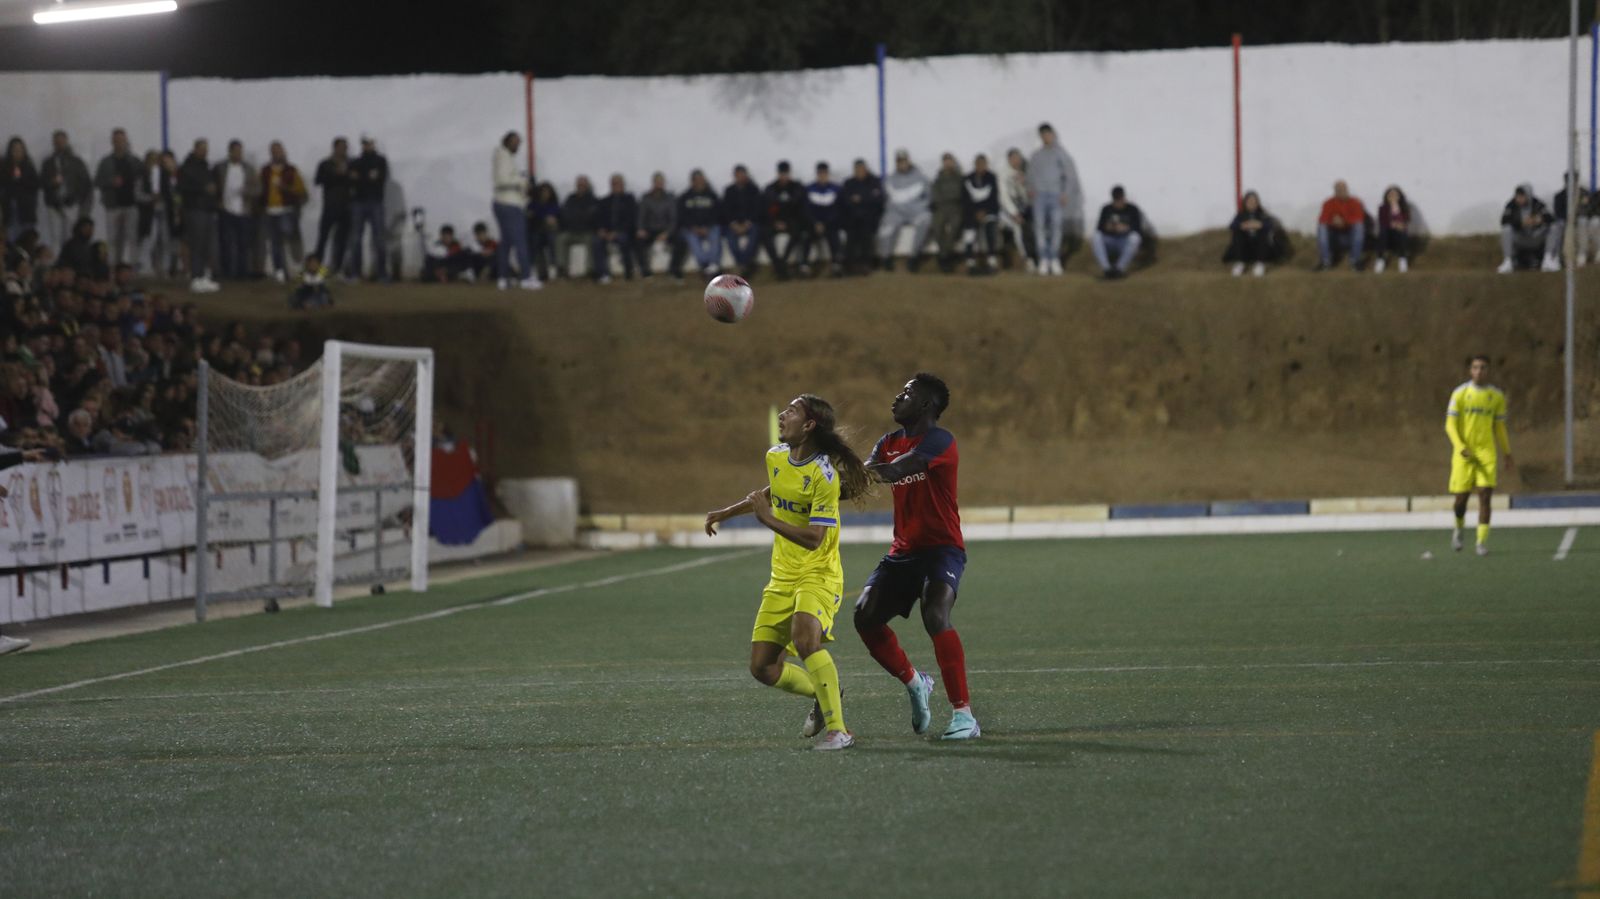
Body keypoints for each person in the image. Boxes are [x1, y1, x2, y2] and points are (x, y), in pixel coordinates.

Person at [704, 394, 871, 751]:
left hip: (818, 571)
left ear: (809, 425)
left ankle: (839, 731)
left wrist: (767, 520)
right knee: (763, 668)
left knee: (807, 638)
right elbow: (770, 493)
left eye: (792, 411)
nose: (783, 415)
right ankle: (828, 694)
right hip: (782, 575)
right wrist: (724, 513)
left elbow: (814, 538)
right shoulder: (775, 457)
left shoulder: (824, 475)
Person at [855, 373, 978, 740]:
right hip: (903, 552)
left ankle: (964, 716)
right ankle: (915, 682)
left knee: (935, 612)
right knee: (864, 617)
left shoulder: (940, 441)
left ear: (925, 404)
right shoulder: (887, 442)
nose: (897, 396)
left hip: (942, 550)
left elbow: (891, 472)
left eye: (906, 392)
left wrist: (854, 466)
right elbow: (861, 480)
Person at [1446, 355, 1512, 556]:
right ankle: (1459, 528)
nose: (1479, 371)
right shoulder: (1460, 393)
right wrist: (1459, 446)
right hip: (1463, 453)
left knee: (1485, 496)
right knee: (1460, 500)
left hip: (1486, 452)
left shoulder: (1496, 396)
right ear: (1470, 370)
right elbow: (1449, 425)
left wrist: (1507, 452)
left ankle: (1481, 542)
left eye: (1483, 367)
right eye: (1475, 367)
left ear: (1488, 371)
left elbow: (1500, 427)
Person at [491, 131, 539, 290]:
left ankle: (502, 278)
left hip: (502, 202)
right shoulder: (504, 157)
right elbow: (503, 180)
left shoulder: (502, 157)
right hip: (510, 204)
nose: (518, 145)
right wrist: (523, 180)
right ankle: (526, 277)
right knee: (520, 241)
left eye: (519, 142)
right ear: (506, 142)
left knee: (506, 243)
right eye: (515, 142)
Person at [259, 141, 307, 284]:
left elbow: (300, 191)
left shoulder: (291, 170)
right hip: (270, 211)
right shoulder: (265, 170)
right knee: (275, 243)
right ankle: (279, 270)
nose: (276, 153)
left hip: (287, 210)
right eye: (273, 151)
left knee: (291, 240)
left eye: (278, 150)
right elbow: (260, 190)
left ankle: (295, 269)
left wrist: (285, 188)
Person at [177, 139, 220, 293]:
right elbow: (182, 187)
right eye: (202, 149)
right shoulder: (187, 167)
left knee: (208, 245)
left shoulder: (206, 167)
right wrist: (203, 188)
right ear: (195, 149)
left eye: (206, 149)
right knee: (197, 244)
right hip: (195, 209)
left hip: (207, 209)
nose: (205, 152)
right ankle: (196, 277)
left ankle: (204, 276)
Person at [1028, 123, 1071, 275]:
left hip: (1055, 195)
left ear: (1053, 135)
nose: (1046, 137)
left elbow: (1067, 176)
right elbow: (1030, 174)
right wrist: (1030, 189)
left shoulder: (1060, 154)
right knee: (1039, 227)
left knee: (1056, 227)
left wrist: (1065, 193)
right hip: (1039, 196)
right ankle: (1043, 259)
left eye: (1048, 134)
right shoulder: (1036, 155)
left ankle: (1054, 258)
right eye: (1043, 135)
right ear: (1040, 137)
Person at [877, 149, 931, 272]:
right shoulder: (890, 179)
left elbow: (929, 196)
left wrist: (921, 207)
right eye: (899, 162)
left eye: (904, 161)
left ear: (908, 161)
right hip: (895, 212)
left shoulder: (920, 177)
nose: (902, 164)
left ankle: (914, 257)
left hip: (916, 211)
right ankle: (886, 258)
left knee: (925, 220)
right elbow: (885, 198)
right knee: (885, 228)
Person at [40, 130, 93, 254]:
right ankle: (57, 266)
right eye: (57, 142)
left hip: (71, 204)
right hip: (53, 205)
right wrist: (52, 182)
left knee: (70, 236)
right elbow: (42, 182)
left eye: (62, 141)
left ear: (66, 142)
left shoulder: (77, 161)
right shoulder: (48, 162)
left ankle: (69, 264)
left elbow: (86, 183)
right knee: (55, 237)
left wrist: (77, 199)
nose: (59, 144)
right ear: (53, 143)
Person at [95, 128, 141, 268]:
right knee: (113, 239)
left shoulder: (134, 161)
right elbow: (97, 181)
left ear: (126, 141)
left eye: (122, 140)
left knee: (131, 238)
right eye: (117, 140)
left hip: (131, 204)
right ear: (112, 142)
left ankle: (130, 267)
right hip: (112, 205)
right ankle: (113, 267)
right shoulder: (106, 161)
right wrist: (111, 182)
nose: (119, 143)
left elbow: (142, 179)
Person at [213, 139, 258, 280]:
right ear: (230, 151)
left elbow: (258, 189)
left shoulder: (249, 169)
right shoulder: (220, 167)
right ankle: (227, 272)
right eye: (236, 151)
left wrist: (247, 192)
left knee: (243, 243)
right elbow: (214, 186)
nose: (238, 154)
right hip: (225, 210)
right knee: (225, 243)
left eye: (240, 151)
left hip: (244, 211)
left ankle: (242, 272)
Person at [346, 135, 389, 281]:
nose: (367, 146)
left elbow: (380, 179)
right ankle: (355, 273)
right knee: (355, 239)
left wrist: (360, 178)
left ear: (373, 144)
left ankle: (382, 273)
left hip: (375, 201)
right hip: (358, 202)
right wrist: (368, 177)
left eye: (369, 143)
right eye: (364, 143)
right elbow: (351, 179)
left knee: (379, 239)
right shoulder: (355, 161)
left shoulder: (380, 161)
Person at [312, 137, 353, 275]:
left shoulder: (351, 164)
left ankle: (337, 268)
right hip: (330, 207)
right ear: (334, 148)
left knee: (342, 240)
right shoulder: (325, 164)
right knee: (323, 239)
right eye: (341, 147)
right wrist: (336, 174)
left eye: (345, 147)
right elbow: (318, 180)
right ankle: (316, 269)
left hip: (346, 207)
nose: (344, 150)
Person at [1498, 184, 1559, 273]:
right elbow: (1504, 221)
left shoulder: (1537, 203)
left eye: (1522, 196)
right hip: (1520, 237)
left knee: (1554, 227)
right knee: (1506, 229)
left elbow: (1551, 218)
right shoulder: (1511, 205)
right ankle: (1508, 261)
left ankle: (1548, 259)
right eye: (1518, 196)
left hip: (1536, 236)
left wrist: (1539, 220)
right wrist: (1520, 223)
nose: (1519, 199)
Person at [761, 161, 807, 279]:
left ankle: (783, 261)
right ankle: (777, 263)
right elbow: (767, 209)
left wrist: (786, 222)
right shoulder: (771, 188)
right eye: (782, 173)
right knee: (764, 234)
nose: (784, 176)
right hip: (775, 221)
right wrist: (775, 222)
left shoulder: (796, 187)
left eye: (785, 173)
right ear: (778, 174)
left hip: (791, 220)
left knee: (797, 231)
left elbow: (797, 208)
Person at [839, 159, 884, 276]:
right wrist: (867, 198)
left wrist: (861, 199)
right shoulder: (849, 183)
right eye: (857, 169)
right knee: (851, 236)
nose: (860, 171)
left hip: (870, 217)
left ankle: (866, 263)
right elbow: (845, 201)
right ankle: (849, 265)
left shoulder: (874, 181)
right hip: (852, 217)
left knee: (866, 234)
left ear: (866, 169)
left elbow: (878, 200)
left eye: (862, 169)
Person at [1090, 185, 1145, 279]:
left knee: (1135, 238)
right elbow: (1099, 228)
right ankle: (1106, 269)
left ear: (1124, 198)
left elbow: (1138, 229)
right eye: (1116, 200)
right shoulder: (1106, 209)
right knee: (1096, 236)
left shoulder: (1132, 209)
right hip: (1110, 241)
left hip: (1124, 242)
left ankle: (1119, 269)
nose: (1118, 203)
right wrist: (1108, 228)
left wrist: (1126, 228)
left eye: (1120, 199)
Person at [799, 161, 842, 278]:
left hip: (830, 223)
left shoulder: (836, 189)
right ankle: (804, 265)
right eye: (820, 173)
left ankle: (836, 264)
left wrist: (825, 223)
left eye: (824, 173)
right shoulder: (809, 189)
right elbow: (806, 210)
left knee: (834, 236)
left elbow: (837, 210)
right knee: (806, 236)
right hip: (813, 224)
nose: (822, 175)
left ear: (828, 174)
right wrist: (816, 223)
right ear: (817, 174)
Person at [592, 173, 637, 284]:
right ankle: (603, 273)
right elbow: (598, 218)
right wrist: (601, 229)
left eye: (618, 183)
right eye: (614, 184)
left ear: (623, 185)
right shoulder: (604, 201)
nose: (616, 186)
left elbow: (631, 219)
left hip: (623, 231)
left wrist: (617, 232)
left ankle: (628, 271)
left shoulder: (629, 200)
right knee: (597, 242)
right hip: (606, 232)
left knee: (624, 239)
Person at [634, 172, 680, 279]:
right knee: (638, 241)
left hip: (665, 230)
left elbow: (674, 219)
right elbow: (641, 216)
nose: (659, 185)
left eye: (661, 182)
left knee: (681, 241)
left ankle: (674, 269)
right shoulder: (646, 198)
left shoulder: (670, 198)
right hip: (649, 230)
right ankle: (645, 271)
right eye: (657, 182)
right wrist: (640, 229)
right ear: (653, 183)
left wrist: (667, 233)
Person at [677, 169, 722, 277]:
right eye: (696, 180)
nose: (699, 182)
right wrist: (694, 228)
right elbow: (682, 216)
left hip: (710, 227)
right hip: (691, 228)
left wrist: (707, 227)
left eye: (701, 179)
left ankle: (712, 265)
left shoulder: (712, 195)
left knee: (715, 235)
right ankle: (707, 266)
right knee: (693, 241)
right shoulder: (685, 197)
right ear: (692, 181)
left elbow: (718, 213)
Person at [961, 153, 1000, 275]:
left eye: (983, 164)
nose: (981, 166)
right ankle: (970, 262)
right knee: (969, 232)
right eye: (978, 164)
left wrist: (985, 211)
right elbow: (965, 200)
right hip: (972, 213)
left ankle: (991, 260)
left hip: (989, 212)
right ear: (975, 165)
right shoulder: (967, 179)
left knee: (990, 228)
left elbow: (994, 198)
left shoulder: (992, 178)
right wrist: (975, 212)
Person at [721, 165, 763, 279]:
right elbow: (726, 210)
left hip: (750, 223)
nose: (740, 177)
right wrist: (734, 224)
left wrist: (747, 224)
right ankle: (744, 264)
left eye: (742, 175)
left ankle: (742, 264)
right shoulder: (729, 191)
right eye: (738, 175)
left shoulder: (754, 190)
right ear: (735, 176)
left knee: (755, 235)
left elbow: (757, 209)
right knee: (731, 240)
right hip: (733, 224)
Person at [1316, 180, 1366, 271]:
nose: (1341, 191)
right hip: (1334, 237)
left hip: (1350, 236)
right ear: (1334, 191)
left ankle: (1355, 261)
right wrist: (1333, 221)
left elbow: (1359, 218)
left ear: (1347, 190)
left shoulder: (1355, 202)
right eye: (1338, 190)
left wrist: (1344, 221)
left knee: (1359, 226)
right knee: (1322, 226)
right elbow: (1322, 219)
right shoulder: (1328, 203)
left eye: (1343, 189)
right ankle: (1325, 261)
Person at [927, 153, 965, 273]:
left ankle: (944, 256)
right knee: (936, 227)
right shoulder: (938, 178)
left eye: (950, 161)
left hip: (956, 207)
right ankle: (947, 255)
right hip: (941, 206)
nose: (948, 164)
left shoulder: (959, 177)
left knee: (955, 227)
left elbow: (962, 193)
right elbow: (934, 193)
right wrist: (937, 203)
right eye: (946, 161)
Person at [554, 176, 598, 278]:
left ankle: (590, 270)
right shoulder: (570, 198)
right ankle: (562, 268)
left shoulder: (593, 200)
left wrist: (578, 217)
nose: (580, 186)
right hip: (571, 231)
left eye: (583, 184)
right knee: (560, 238)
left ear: (587, 185)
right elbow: (564, 214)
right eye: (579, 184)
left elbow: (592, 217)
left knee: (592, 240)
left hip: (586, 232)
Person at [1552, 173, 1600, 266]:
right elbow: (1559, 213)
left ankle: (1584, 252)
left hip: (1583, 221)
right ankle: (1562, 257)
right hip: (1568, 222)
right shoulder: (1559, 196)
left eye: (1574, 181)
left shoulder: (1585, 193)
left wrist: (1581, 210)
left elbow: (1592, 210)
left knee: (1588, 221)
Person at [998, 148, 1034, 272]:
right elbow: (1003, 196)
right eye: (1013, 158)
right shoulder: (1003, 174)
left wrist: (1025, 183)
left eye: (1018, 158)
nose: (1016, 161)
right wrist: (1014, 213)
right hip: (1009, 210)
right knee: (1018, 228)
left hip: (1026, 206)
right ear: (1009, 159)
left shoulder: (1027, 170)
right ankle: (1027, 258)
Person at [1225, 190, 1276, 277]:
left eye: (1254, 201)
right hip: (1244, 249)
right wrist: (1242, 226)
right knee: (1238, 233)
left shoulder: (1263, 214)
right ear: (1245, 203)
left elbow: (1271, 224)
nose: (1252, 204)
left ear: (1257, 203)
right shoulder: (1240, 215)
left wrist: (1260, 225)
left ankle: (1260, 264)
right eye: (1249, 201)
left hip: (1259, 249)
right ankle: (1240, 263)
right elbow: (1232, 225)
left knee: (1263, 232)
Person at [0, 137, 40, 242]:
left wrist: (21, 179)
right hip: (9, 209)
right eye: (15, 150)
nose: (17, 152)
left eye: (19, 149)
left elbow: (35, 185)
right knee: (12, 239)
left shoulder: (29, 166)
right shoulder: (4, 166)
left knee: (27, 240)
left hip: (26, 210)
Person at [1373, 185, 1411, 274]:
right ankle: (1380, 259)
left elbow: (1406, 220)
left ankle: (1402, 258)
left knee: (1402, 231)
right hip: (1387, 234)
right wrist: (1394, 225)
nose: (1393, 197)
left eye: (1395, 195)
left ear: (1399, 196)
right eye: (1390, 195)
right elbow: (1382, 221)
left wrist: (1396, 210)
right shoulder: (1382, 208)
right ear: (1387, 197)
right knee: (1383, 231)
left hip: (1400, 234)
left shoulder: (1404, 207)